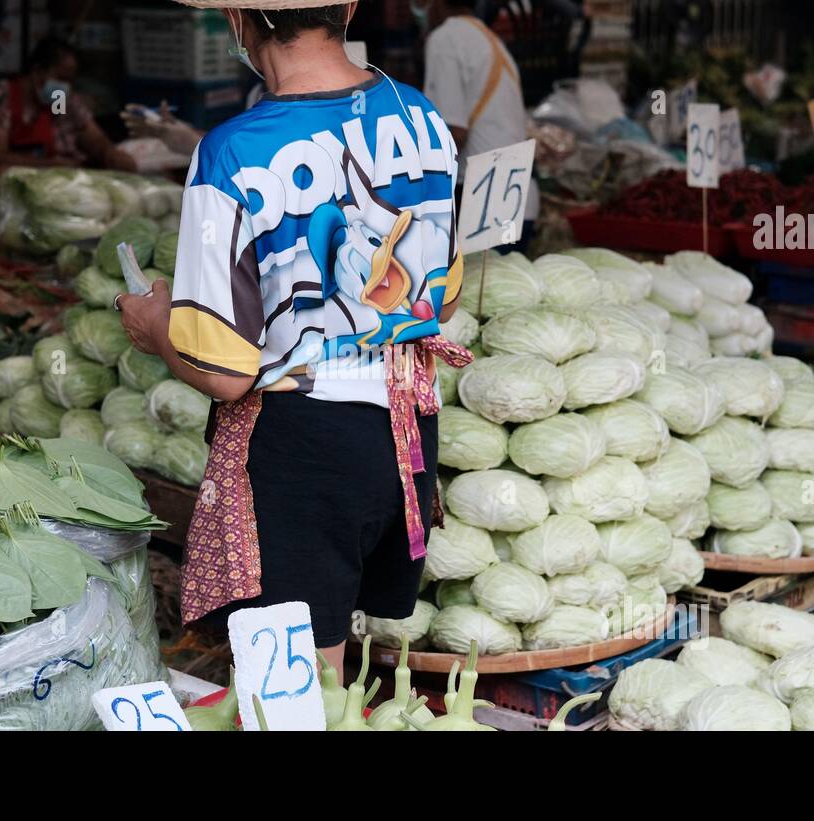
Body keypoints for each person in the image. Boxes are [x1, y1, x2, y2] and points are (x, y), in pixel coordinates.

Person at [117, 0, 468, 671]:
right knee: (334, 670)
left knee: (297, 684)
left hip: (302, 449)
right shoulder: (420, 116)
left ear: (236, 19)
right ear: (349, 8)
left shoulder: (234, 149)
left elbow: (223, 367)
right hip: (405, 435)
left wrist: (155, 325)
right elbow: (441, 298)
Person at [412, 0, 539, 247]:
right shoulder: (487, 38)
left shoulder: (445, 38)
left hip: (484, 204)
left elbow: (453, 133)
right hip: (516, 197)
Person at [0, 37, 137, 204]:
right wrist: (49, 164)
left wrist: (109, 152)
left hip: (60, 182)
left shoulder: (59, 100)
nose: (65, 87)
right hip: (22, 182)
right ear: (37, 71)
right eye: (60, 78)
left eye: (70, 81)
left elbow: (92, 137)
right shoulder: (3, 97)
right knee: (1, 175)